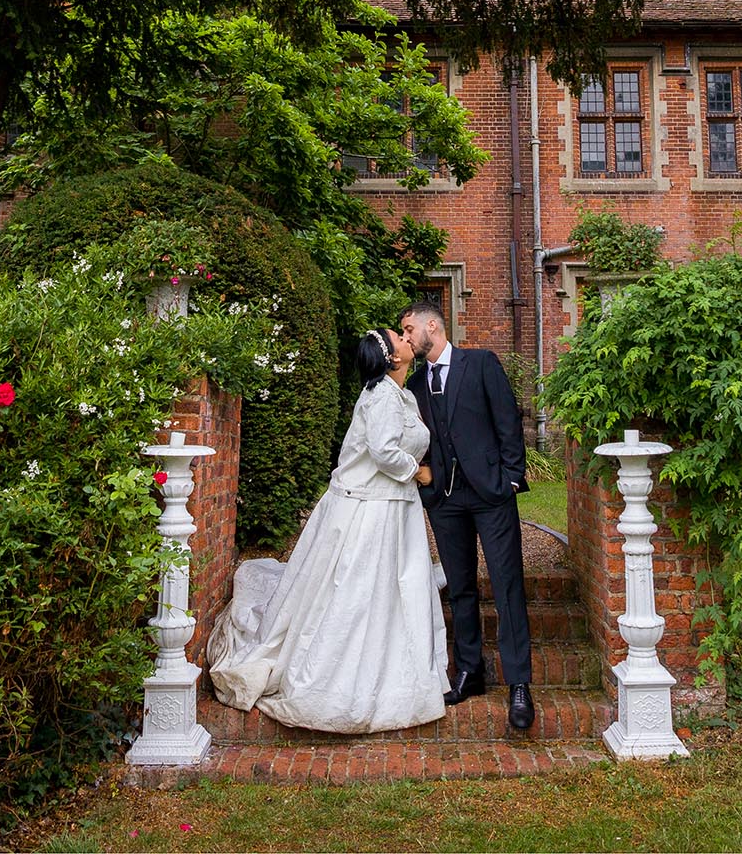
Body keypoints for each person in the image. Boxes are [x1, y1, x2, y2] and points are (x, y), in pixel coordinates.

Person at [205, 328, 449, 733]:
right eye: (401, 338)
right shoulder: (383, 396)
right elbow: (385, 451)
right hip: (371, 509)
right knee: (356, 588)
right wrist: (419, 472)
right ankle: (339, 681)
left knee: (391, 587)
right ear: (393, 358)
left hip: (390, 508)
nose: (408, 339)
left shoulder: (399, 394)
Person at [399, 300, 536, 732]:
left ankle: (518, 683)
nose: (405, 338)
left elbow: (508, 420)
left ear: (432, 326)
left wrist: (512, 477)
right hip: (445, 499)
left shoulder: (481, 364)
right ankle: (469, 672)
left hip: (491, 495)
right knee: (459, 588)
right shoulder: (416, 384)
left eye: (408, 329)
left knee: (506, 583)